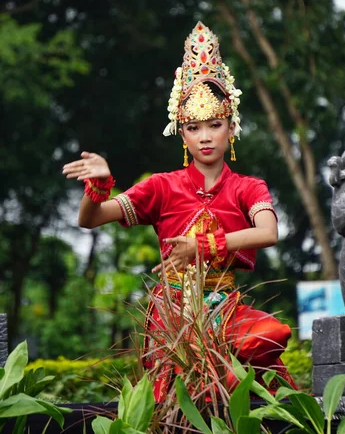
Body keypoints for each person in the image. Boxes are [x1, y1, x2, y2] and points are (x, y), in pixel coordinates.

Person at [63, 21, 294, 401]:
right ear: (181, 132)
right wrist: (100, 185)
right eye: (194, 127)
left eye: (215, 125)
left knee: (269, 337)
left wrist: (202, 247)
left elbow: (268, 232)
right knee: (176, 401)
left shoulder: (247, 187)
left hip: (225, 307)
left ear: (231, 128)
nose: (205, 136)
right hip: (172, 317)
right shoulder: (161, 186)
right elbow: (89, 219)